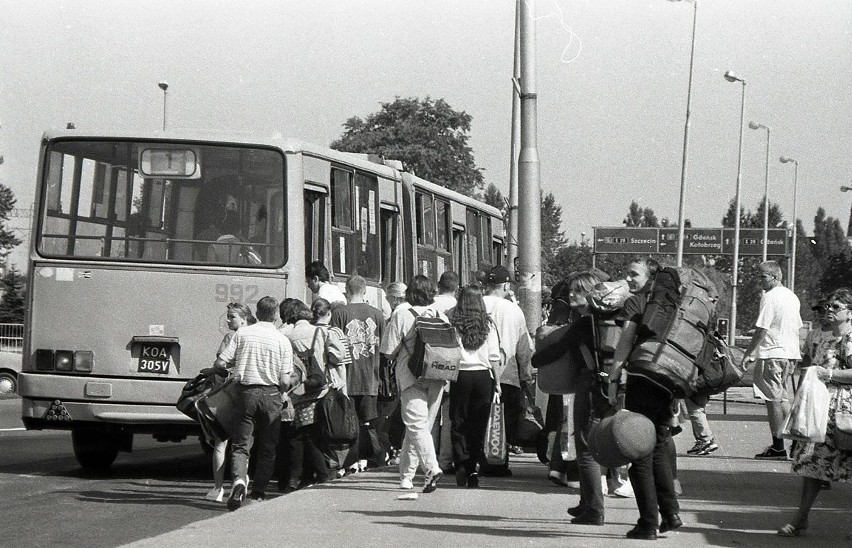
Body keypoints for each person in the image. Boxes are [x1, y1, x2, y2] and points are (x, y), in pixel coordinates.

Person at [608, 256, 682, 540]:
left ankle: (648, 522)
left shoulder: (638, 302)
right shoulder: (675, 304)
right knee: (660, 445)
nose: (628, 278)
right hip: (668, 381)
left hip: (642, 380)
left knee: (638, 450)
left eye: (633, 274)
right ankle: (671, 513)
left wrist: (614, 379)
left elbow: (624, 343)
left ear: (650, 278)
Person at [532, 271, 610, 525]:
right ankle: (585, 502)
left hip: (588, 385)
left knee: (585, 450)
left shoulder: (583, 322)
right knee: (591, 443)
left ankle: (594, 509)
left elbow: (555, 351)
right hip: (606, 385)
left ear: (590, 293)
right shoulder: (601, 320)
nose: (571, 294)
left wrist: (535, 358)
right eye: (570, 290)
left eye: (578, 290)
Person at [777, 288, 852, 538]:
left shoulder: (849, 339)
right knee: (812, 466)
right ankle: (801, 518)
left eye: (836, 307)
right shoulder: (825, 338)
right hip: (820, 412)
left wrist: (828, 374)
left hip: (844, 413)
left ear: (850, 313)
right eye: (829, 306)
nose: (829, 310)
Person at [214, 296, 293, 510]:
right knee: (268, 447)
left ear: (256, 314)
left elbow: (221, 361)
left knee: (241, 444)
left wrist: (229, 372)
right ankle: (258, 492)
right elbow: (285, 379)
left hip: (245, 393)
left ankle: (239, 481)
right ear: (276, 315)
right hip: (271, 395)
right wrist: (282, 391)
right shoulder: (282, 340)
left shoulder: (242, 334)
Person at [380, 275, 446, 493]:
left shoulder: (401, 314)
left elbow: (388, 351)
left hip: (411, 377)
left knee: (417, 426)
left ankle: (432, 468)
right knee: (420, 427)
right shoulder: (440, 315)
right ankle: (406, 477)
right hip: (437, 376)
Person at [741, 260, 803, 460]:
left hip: (773, 352)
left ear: (775, 277)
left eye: (763, 277)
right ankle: (795, 440)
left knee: (773, 400)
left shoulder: (770, 296)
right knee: (782, 397)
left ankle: (779, 446)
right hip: (789, 353)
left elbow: (762, 328)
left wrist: (749, 352)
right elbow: (796, 325)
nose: (760, 281)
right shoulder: (792, 297)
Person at [481, 265, 534, 476]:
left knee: (478, 418)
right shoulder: (514, 310)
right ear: (505, 285)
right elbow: (524, 348)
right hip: (507, 374)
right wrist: (526, 376)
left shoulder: (475, 304)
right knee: (502, 422)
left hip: (476, 371)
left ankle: (473, 462)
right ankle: (498, 464)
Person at [447, 285, 502, 488]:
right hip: (482, 377)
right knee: (478, 424)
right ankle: (472, 468)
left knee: (458, 421)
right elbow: (494, 357)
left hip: (460, 376)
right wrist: (497, 382)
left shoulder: (453, 322)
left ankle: (460, 462)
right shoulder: (488, 325)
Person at [331, 274, 385, 472]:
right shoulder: (378, 314)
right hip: (371, 377)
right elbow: (385, 347)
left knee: (348, 422)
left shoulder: (339, 313)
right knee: (367, 422)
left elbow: (334, 346)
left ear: (347, 290)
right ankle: (366, 458)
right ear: (365, 291)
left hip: (346, 377)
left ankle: (350, 461)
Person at [204, 302, 256, 502]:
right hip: (248, 393)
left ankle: (218, 488)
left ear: (244, 318)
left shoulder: (230, 338)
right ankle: (241, 479)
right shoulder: (255, 336)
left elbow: (220, 365)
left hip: (228, 394)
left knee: (221, 441)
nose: (228, 320)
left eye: (231, 316)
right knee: (244, 441)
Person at [278, 298, 332, 491]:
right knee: (313, 434)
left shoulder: (286, 334)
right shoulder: (321, 331)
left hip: (298, 390)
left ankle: (296, 478)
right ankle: (320, 474)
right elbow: (335, 358)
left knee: (297, 435)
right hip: (319, 388)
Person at [431, 271, 459, 473]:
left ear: (438, 285)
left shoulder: (430, 305)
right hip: (452, 366)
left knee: (431, 414)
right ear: (456, 287)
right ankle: (445, 461)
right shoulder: (457, 309)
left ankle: (429, 460)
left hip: (431, 366)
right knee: (448, 417)